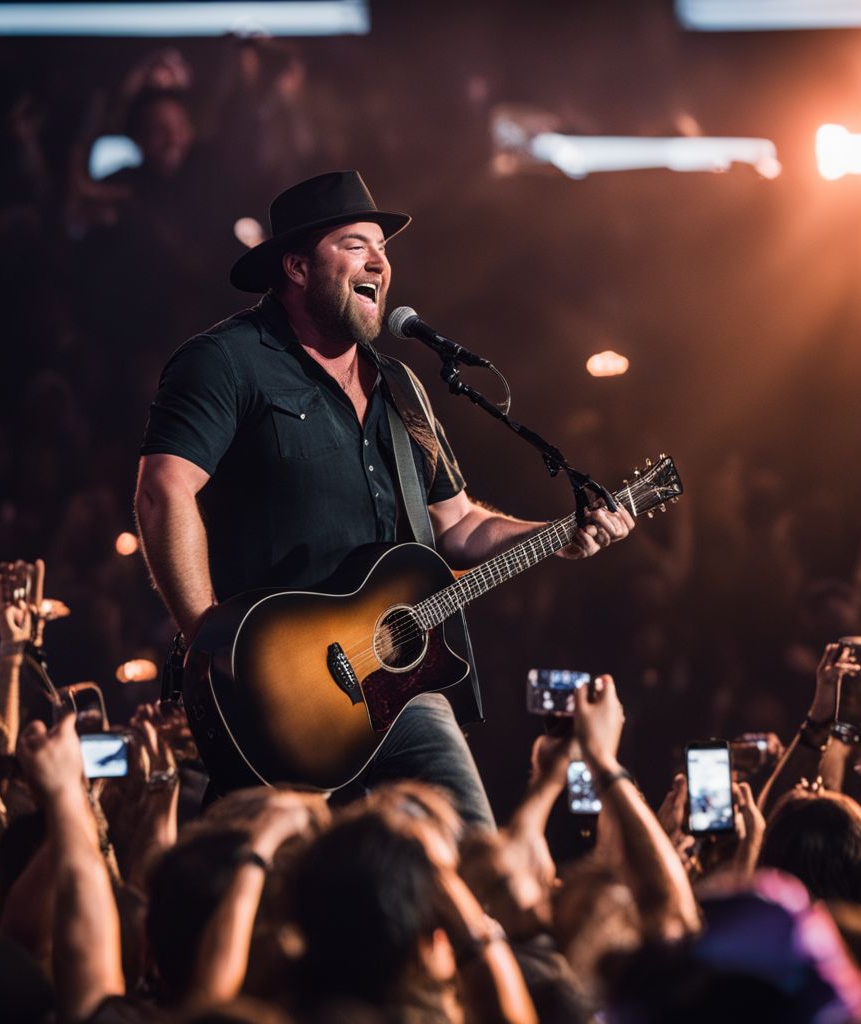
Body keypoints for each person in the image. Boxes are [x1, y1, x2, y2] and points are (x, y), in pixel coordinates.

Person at [134, 170, 634, 826]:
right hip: (271, 695)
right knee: (274, 896)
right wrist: (207, 647)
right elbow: (164, 489)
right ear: (295, 266)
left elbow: (457, 526)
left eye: (383, 247)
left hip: (399, 693)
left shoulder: (400, 386)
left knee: (472, 858)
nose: (378, 261)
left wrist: (557, 532)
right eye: (353, 245)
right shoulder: (227, 361)